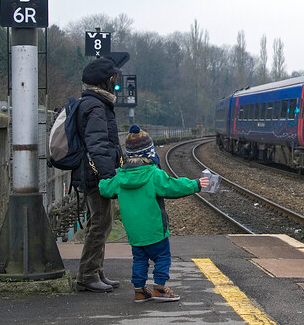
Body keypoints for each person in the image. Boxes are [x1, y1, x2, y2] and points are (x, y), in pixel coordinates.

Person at [98, 142, 209, 303]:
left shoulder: (120, 177)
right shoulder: (154, 174)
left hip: (134, 232)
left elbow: (105, 189)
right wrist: (196, 184)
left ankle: (139, 291)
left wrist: (99, 178)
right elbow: (174, 186)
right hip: (155, 230)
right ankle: (159, 288)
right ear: (149, 154)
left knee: (140, 260)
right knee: (163, 257)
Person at [75, 57, 125, 293]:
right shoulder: (95, 106)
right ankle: (87, 274)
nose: (115, 81)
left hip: (92, 173)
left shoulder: (96, 104)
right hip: (95, 175)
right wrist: (109, 177)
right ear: (104, 81)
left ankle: (96, 271)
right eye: (113, 78)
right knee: (101, 223)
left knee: (101, 222)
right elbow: (97, 145)